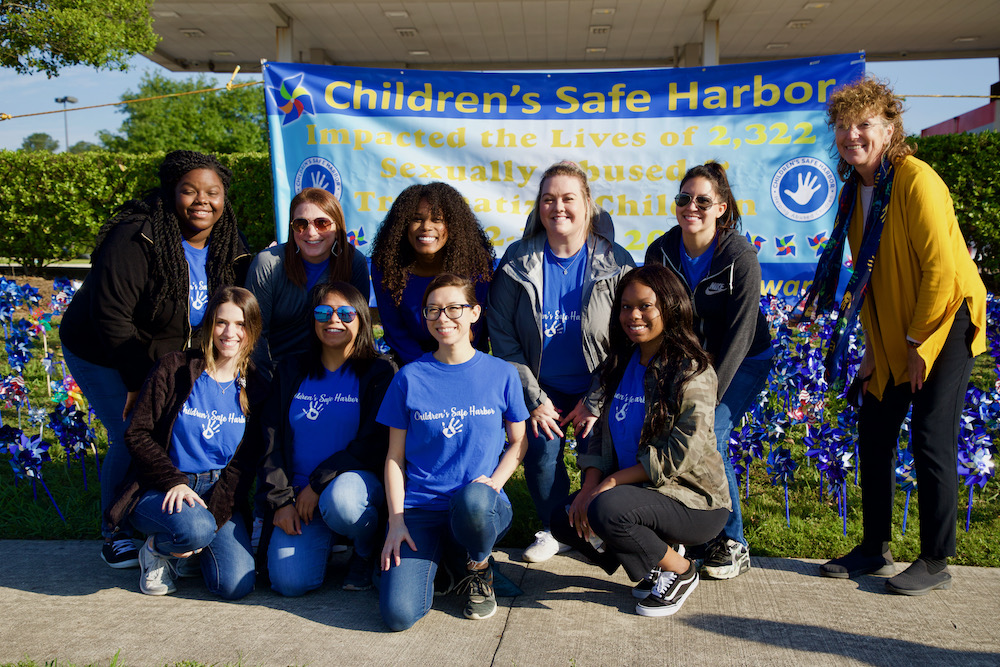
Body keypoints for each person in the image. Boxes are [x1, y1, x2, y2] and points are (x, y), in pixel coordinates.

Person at [798, 78, 987, 595]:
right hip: (898, 330)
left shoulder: (917, 179)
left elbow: (940, 272)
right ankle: (873, 546)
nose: (852, 135)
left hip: (944, 321)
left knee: (930, 435)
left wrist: (915, 345)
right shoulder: (857, 191)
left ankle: (935, 558)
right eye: (843, 126)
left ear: (889, 128)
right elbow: (869, 281)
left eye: (864, 125)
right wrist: (873, 353)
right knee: (874, 428)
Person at [60, 150, 252, 569]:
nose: (202, 201)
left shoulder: (229, 246)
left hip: (164, 359)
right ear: (171, 194)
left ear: (224, 200)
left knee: (164, 431)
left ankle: (169, 516)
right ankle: (116, 531)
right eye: (190, 191)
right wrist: (136, 382)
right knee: (130, 429)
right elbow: (111, 318)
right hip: (105, 351)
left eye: (212, 193)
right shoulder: (135, 237)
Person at [549, 265, 730, 617]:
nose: (633, 315)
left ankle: (680, 569)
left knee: (608, 510)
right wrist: (590, 486)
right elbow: (596, 434)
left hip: (693, 501)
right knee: (565, 517)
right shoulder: (618, 364)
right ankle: (653, 562)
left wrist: (612, 482)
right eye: (626, 306)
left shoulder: (692, 371)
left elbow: (682, 452)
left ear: (671, 307)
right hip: (640, 495)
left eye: (645, 306)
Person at [487, 161, 635, 563]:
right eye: (548, 199)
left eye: (569, 198)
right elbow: (501, 337)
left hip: (597, 383)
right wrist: (533, 399)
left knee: (601, 454)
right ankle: (555, 527)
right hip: (541, 385)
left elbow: (630, 337)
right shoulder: (518, 260)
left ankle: (592, 525)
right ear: (539, 207)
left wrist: (597, 398)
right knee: (541, 453)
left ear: (587, 205)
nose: (558, 207)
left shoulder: (617, 262)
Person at [377, 274, 530, 631]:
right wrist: (396, 520)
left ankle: (478, 567)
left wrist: (493, 483)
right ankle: (447, 560)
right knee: (398, 615)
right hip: (420, 509)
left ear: (475, 313)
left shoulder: (501, 373)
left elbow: (519, 442)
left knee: (474, 502)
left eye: (453, 308)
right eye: (433, 310)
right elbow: (394, 458)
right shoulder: (409, 378)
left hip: (479, 505)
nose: (443, 318)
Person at [644, 162, 772, 580]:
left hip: (742, 359)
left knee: (710, 429)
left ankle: (732, 542)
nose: (691, 207)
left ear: (720, 208)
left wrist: (709, 394)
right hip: (686, 364)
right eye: (684, 199)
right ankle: (687, 528)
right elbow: (655, 318)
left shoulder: (739, 256)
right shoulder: (660, 252)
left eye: (702, 200)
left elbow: (741, 332)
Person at [105, 287, 267, 599]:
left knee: (235, 585)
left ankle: (193, 544)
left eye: (240, 324)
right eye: (221, 322)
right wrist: (172, 482)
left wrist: (213, 516)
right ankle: (156, 549)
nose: (229, 332)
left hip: (218, 490)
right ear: (209, 325)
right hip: (163, 488)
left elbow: (243, 465)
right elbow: (137, 434)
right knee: (194, 530)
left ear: (252, 330)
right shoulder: (176, 368)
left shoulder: (257, 384)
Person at [259, 282, 395, 595]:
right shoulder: (291, 369)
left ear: (361, 319)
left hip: (350, 489)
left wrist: (319, 483)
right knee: (289, 583)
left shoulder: (379, 372)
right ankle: (327, 540)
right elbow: (271, 440)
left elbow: (373, 444)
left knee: (342, 502)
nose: (334, 319)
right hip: (299, 497)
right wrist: (281, 501)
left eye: (346, 313)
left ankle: (364, 550)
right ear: (313, 319)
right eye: (324, 312)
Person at [246, 187, 371, 379]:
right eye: (301, 224)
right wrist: (267, 388)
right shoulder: (268, 264)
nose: (311, 232)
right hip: (277, 374)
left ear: (337, 226)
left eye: (322, 223)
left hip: (336, 373)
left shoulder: (354, 263)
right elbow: (255, 335)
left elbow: (358, 328)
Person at [370, 182, 495, 364]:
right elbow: (395, 331)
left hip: (464, 357)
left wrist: (449, 366)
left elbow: (473, 331)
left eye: (437, 219)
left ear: (453, 225)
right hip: (410, 361)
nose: (426, 227)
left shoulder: (476, 264)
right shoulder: (387, 266)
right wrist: (425, 368)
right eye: (416, 219)